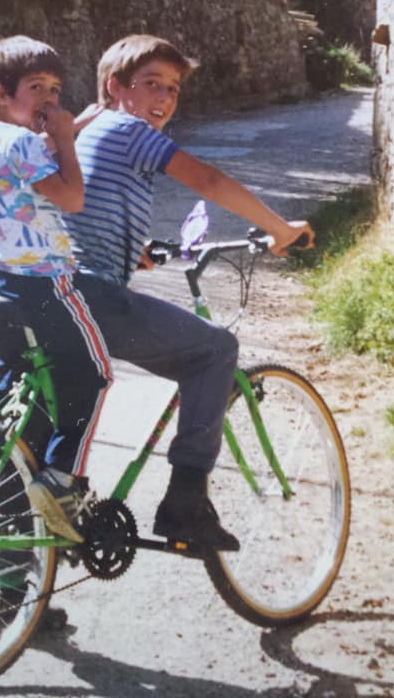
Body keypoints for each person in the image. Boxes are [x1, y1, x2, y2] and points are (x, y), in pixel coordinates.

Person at [64, 34, 315, 552]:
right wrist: (280, 228)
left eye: (173, 89)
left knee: (44, 454)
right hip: (93, 299)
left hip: (57, 294)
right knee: (214, 350)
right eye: (150, 83)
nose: (163, 98)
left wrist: (133, 249)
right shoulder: (129, 129)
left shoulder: (93, 133)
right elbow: (207, 179)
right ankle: (185, 505)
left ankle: (19, 597)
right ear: (115, 88)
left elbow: (87, 208)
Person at [0, 34, 112, 636]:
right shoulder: (28, 141)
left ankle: (13, 586)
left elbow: (28, 161)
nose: (50, 101)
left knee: (7, 427)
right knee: (94, 376)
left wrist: (65, 126)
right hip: (46, 286)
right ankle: (62, 482)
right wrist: (70, 142)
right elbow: (71, 196)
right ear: (1, 94)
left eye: (56, 91)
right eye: (38, 92)